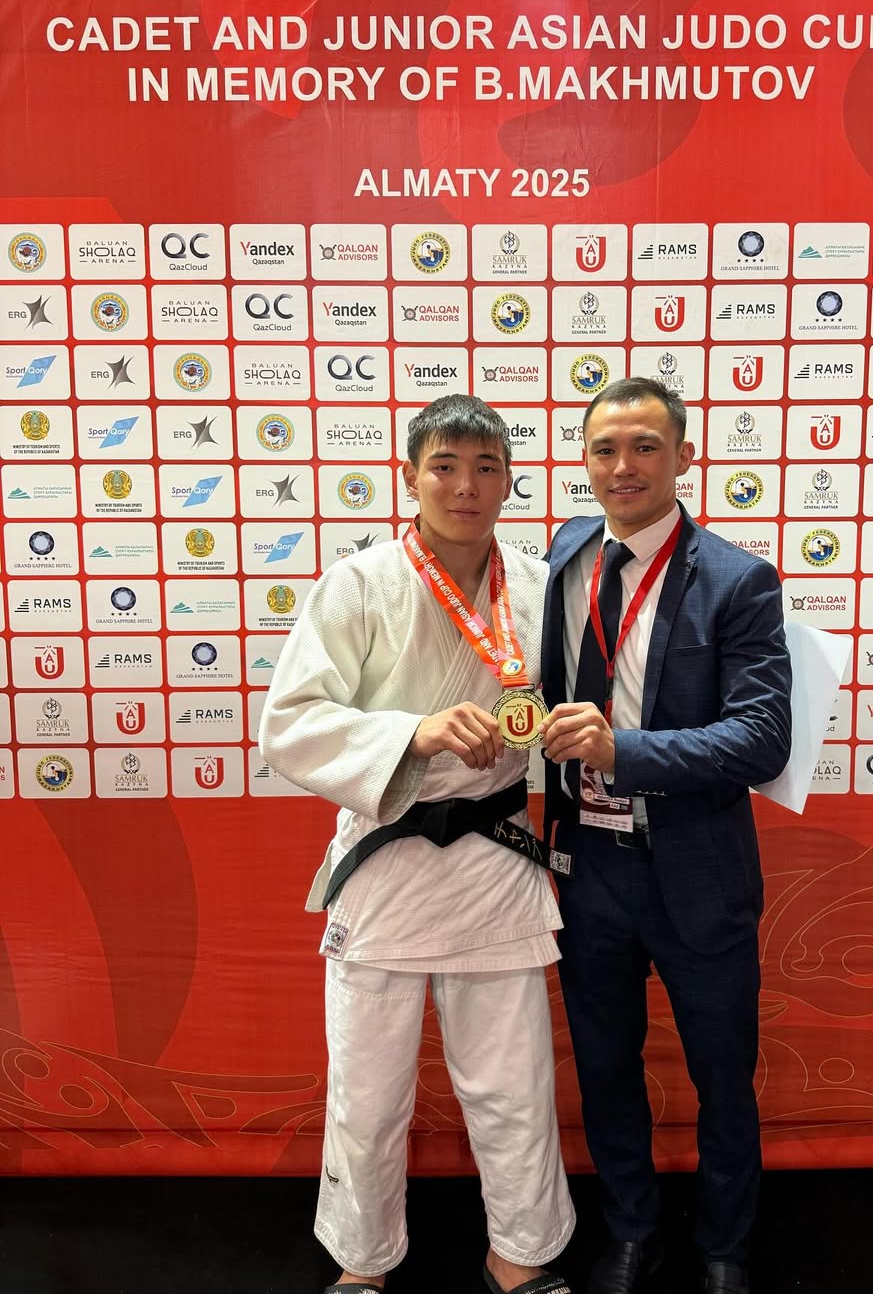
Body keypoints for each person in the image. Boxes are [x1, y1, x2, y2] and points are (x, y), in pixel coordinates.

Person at [260, 394, 575, 1294]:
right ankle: (362, 1259)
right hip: (388, 857)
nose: (464, 486)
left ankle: (521, 1250)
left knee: (512, 1084)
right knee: (367, 1090)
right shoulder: (358, 584)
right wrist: (413, 733)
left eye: (485, 468)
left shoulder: (541, 586)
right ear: (410, 477)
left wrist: (567, 728)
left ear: (509, 483)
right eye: (444, 466)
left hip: (495, 856)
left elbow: (584, 700)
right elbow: (288, 724)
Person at [540, 378, 791, 1294]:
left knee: (723, 1073)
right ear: (585, 461)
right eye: (605, 449)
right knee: (606, 1067)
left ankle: (725, 1246)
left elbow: (762, 739)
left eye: (645, 446)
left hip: (695, 869)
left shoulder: (737, 579)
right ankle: (631, 1229)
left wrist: (625, 749)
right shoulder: (565, 553)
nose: (624, 466)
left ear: (684, 456)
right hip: (588, 867)